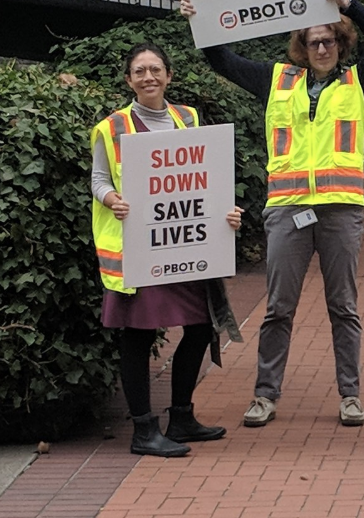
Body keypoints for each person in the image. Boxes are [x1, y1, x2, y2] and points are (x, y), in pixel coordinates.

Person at [179, 0, 364, 428]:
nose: (322, 49)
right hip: (288, 209)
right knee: (279, 307)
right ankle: (265, 395)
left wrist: (346, 3)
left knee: (344, 307)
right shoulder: (275, 80)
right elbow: (221, 58)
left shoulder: (359, 80)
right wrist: (201, 17)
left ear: (341, 43)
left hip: (340, 208)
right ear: (302, 44)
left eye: (330, 40)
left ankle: (350, 396)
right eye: (314, 41)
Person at [91, 42, 244, 458]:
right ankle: (143, 430)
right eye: (139, 71)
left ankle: (181, 417)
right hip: (140, 248)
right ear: (128, 80)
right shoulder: (112, 127)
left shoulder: (188, 118)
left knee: (199, 328)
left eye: (155, 69)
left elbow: (203, 177)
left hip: (186, 243)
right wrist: (111, 200)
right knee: (138, 336)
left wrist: (223, 213)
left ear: (169, 75)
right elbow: (99, 179)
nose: (148, 77)